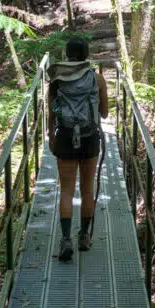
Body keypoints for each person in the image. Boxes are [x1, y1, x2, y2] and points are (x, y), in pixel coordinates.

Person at [47, 36, 109, 261]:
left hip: (64, 137)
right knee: (87, 189)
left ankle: (66, 240)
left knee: (66, 191)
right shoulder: (97, 79)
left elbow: (51, 112)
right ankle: (84, 237)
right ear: (86, 54)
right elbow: (104, 114)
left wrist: (50, 137)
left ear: (67, 53)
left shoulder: (56, 79)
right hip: (89, 137)